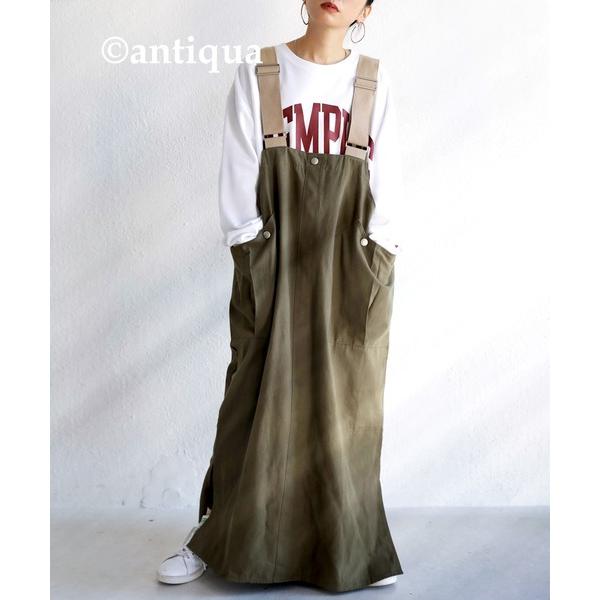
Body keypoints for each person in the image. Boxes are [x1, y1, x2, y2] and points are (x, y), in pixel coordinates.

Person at [157, 0, 403, 592]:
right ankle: (218, 534)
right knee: (251, 392)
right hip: (272, 254)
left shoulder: (372, 81)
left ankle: (354, 547)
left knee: (349, 404)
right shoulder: (261, 72)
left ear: (368, 9)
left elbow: (388, 184)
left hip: (351, 262)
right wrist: (253, 251)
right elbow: (239, 176)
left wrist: (376, 256)